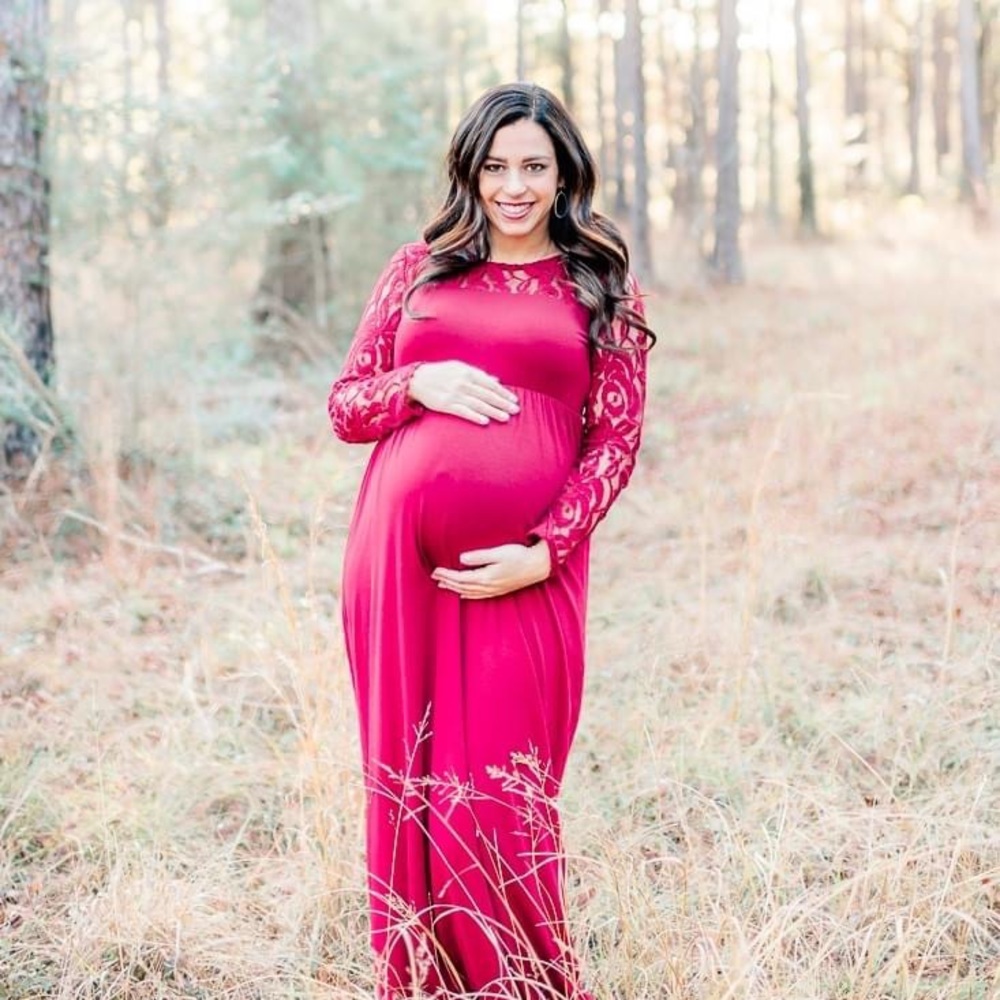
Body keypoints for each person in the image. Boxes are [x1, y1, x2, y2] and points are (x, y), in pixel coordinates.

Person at [327, 82, 654, 1000]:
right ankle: (421, 980)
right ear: (470, 171)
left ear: (565, 174)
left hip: (529, 570)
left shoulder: (600, 282)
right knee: (410, 782)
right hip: (397, 564)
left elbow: (616, 440)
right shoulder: (417, 269)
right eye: (497, 166)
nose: (515, 186)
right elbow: (346, 406)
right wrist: (417, 384)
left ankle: (525, 984)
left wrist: (546, 551)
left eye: (534, 167)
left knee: (504, 796)